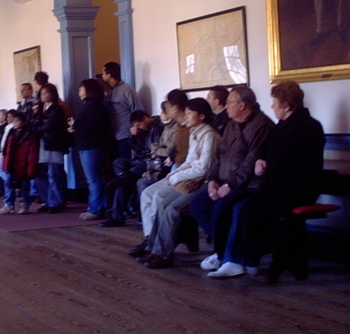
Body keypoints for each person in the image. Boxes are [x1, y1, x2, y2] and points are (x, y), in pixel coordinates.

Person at [208, 81, 325, 279]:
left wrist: (269, 166)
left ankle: (254, 259)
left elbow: (300, 164)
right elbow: (272, 155)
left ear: (287, 106)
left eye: (275, 103)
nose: (272, 106)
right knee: (244, 208)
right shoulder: (282, 126)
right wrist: (263, 162)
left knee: (249, 210)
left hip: (298, 188)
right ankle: (242, 258)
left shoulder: (309, 127)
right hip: (279, 185)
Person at [189, 86, 274, 273]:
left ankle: (229, 257)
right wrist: (212, 179)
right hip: (224, 181)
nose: (225, 106)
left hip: (249, 184)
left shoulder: (261, 125)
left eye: (229, 102)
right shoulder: (231, 124)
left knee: (223, 208)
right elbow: (218, 155)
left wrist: (230, 185)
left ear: (242, 105)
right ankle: (225, 248)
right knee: (198, 204)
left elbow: (251, 161)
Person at [131, 98, 222, 269]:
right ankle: (153, 248)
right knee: (162, 203)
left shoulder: (209, 135)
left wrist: (177, 177)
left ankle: (164, 254)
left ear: (201, 116)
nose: (185, 117)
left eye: (189, 113)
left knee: (173, 209)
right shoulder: (195, 132)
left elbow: (203, 168)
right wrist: (175, 173)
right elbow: (189, 161)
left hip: (204, 182)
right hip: (191, 178)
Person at [136, 90, 190, 231]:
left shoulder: (187, 127)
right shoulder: (175, 126)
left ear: (175, 108)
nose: (164, 108)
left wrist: (172, 163)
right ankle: (150, 237)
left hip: (186, 173)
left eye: (167, 104)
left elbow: (183, 156)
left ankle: (157, 238)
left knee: (158, 195)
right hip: (176, 168)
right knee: (147, 193)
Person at [100, 109, 164, 227]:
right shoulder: (142, 130)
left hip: (150, 163)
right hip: (140, 161)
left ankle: (117, 216)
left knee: (123, 182)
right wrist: (134, 136)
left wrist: (146, 153)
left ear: (146, 118)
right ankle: (124, 176)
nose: (138, 127)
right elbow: (136, 148)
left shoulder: (158, 128)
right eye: (135, 126)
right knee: (118, 163)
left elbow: (154, 151)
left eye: (139, 124)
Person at [68, 79, 113, 220]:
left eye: (81, 89)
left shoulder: (94, 106)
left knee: (93, 179)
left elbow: (93, 127)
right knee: (95, 178)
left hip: (92, 146)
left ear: (89, 89)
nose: (79, 92)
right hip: (88, 145)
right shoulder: (90, 105)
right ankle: (100, 206)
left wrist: (75, 126)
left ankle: (96, 209)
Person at [29, 83, 70, 213]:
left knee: (54, 173)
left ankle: (56, 201)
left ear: (52, 94)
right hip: (40, 143)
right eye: (41, 93)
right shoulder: (39, 108)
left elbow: (50, 125)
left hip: (53, 143)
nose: (43, 96)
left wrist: (40, 125)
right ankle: (47, 200)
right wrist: (40, 123)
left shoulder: (57, 108)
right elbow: (31, 122)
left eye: (46, 93)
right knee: (40, 174)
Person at [0, 111, 39, 215]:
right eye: (14, 121)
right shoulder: (11, 133)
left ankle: (25, 204)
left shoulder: (29, 135)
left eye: (17, 121)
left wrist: (31, 168)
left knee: (25, 187)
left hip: (23, 165)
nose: (14, 123)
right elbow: (7, 149)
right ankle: (8, 205)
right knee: (9, 185)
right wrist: (5, 162)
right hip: (11, 164)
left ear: (23, 122)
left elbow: (32, 153)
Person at [102, 61, 143, 160]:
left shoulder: (127, 90)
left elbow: (137, 111)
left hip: (125, 137)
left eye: (103, 73)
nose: (102, 76)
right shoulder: (110, 91)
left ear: (109, 74)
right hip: (112, 137)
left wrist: (135, 129)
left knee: (125, 166)